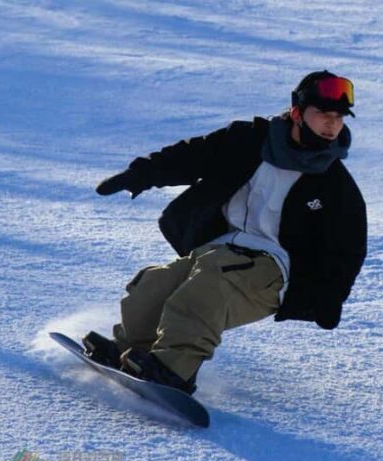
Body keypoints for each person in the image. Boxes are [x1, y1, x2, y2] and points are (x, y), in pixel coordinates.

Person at [83, 70, 367, 395]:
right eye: (323, 114)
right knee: (155, 284)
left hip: (275, 268)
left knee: (209, 286)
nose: (332, 124)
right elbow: (195, 154)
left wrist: (327, 300)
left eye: (339, 117)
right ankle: (132, 349)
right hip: (221, 249)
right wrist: (141, 174)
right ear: (297, 113)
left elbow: (349, 249)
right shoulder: (249, 141)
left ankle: (174, 369)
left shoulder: (336, 187)